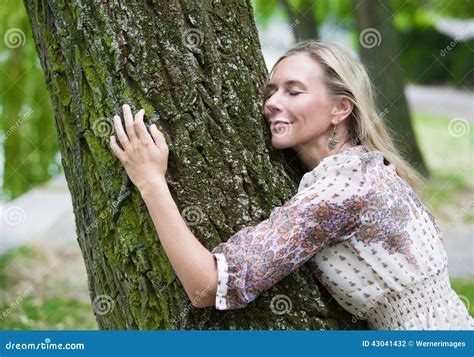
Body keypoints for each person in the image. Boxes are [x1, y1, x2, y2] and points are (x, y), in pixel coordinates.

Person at [109, 40, 474, 330]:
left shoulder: (340, 191)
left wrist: (150, 181)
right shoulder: (366, 167)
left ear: (340, 109)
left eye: (293, 92)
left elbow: (206, 286)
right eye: (271, 91)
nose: (271, 103)